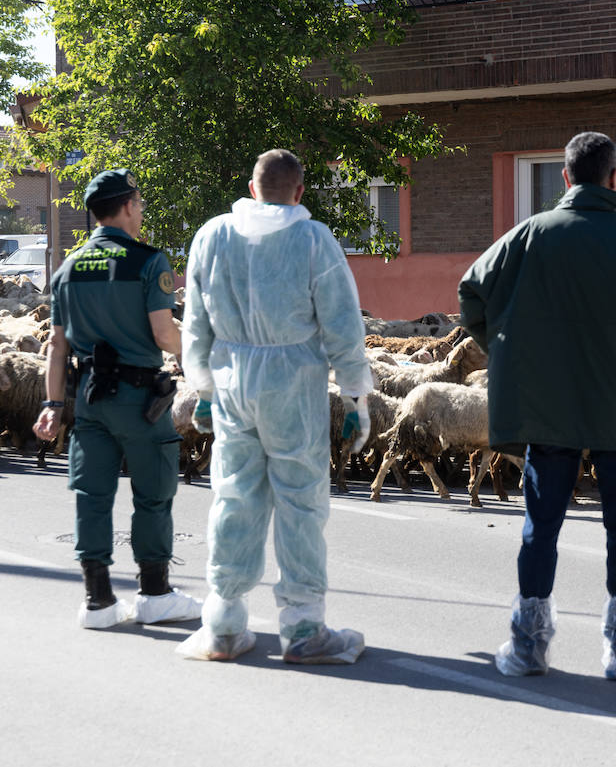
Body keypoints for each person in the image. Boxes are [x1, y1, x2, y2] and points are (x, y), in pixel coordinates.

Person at [458, 131, 616, 682]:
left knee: (542, 524)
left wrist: (513, 350)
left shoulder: (528, 236)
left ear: (564, 177)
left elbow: (471, 295)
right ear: (615, 178)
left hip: (546, 402)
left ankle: (527, 649)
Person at [176, 149, 374, 664]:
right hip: (293, 384)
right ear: (300, 191)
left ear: (250, 185)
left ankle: (222, 624)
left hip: (231, 383)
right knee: (300, 500)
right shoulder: (313, 240)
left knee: (234, 495)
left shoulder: (213, 236)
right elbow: (343, 324)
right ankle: (303, 627)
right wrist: (355, 395)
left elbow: (194, 321)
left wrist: (200, 388)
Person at [32, 168, 204, 629]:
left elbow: (57, 348)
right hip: (140, 400)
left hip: (88, 398)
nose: (142, 212)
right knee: (153, 495)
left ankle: (98, 600)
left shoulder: (66, 270)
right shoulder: (148, 261)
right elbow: (165, 334)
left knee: (91, 495)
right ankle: (153, 594)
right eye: (141, 204)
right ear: (127, 205)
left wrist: (51, 406)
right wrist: (200, 350)